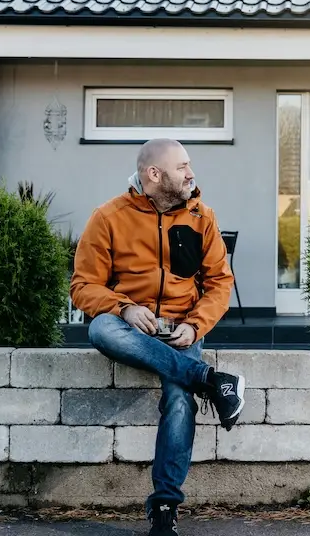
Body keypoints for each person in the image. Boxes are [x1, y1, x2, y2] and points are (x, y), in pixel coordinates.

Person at [71, 138, 244, 536]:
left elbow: (219, 283)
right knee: (100, 328)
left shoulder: (202, 216)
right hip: (130, 325)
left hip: (182, 327)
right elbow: (83, 286)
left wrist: (195, 325)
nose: (191, 173)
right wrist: (124, 307)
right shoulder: (109, 216)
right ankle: (209, 380)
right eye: (182, 166)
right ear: (154, 174)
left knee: (179, 399)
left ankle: (165, 506)